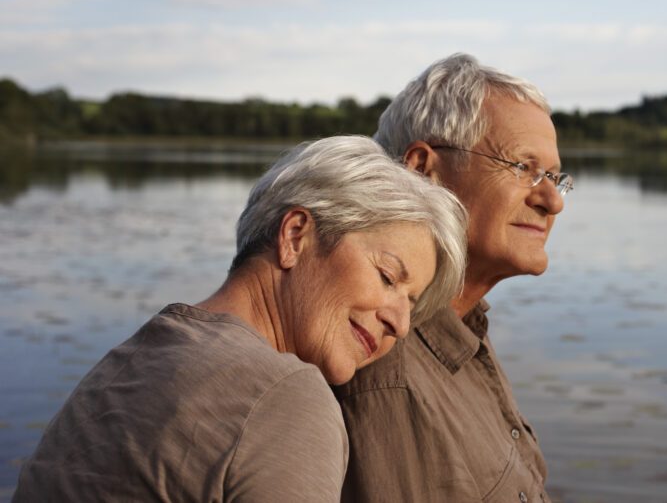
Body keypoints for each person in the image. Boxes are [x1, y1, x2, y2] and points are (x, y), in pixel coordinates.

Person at [14, 136, 467, 502]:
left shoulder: (129, 360)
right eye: (389, 277)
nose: (401, 323)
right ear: (294, 236)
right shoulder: (284, 395)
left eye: (412, 301)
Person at [335, 54, 573, 502]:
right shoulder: (388, 371)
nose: (552, 201)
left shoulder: (463, 325)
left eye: (556, 178)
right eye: (524, 168)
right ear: (424, 169)